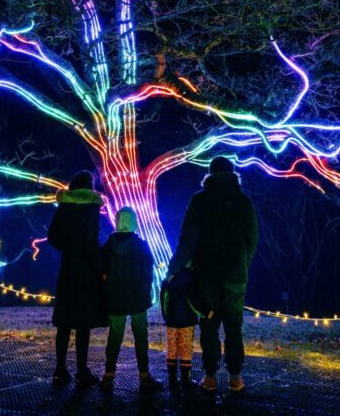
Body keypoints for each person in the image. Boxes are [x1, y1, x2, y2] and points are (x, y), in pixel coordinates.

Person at [166, 156, 259, 393]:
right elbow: (252, 239)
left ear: (210, 174)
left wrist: (174, 269)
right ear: (232, 174)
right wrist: (243, 265)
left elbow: (188, 239)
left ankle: (209, 376)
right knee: (234, 326)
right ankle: (235, 376)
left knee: (209, 324)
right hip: (235, 275)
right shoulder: (243, 201)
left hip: (206, 275)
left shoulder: (200, 200)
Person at [47, 170, 107, 388]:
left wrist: (68, 249)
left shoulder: (64, 206)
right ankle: (82, 371)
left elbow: (52, 236)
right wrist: (101, 267)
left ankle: (60, 369)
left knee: (64, 323)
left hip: (68, 269)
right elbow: (90, 242)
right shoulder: (91, 207)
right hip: (86, 273)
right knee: (83, 323)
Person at [99, 207, 161, 392]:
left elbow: (102, 269)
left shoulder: (109, 245)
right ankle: (144, 375)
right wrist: (144, 288)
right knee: (141, 335)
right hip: (137, 297)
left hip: (115, 297)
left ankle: (108, 375)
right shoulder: (141, 245)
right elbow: (148, 270)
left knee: (115, 335)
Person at [160, 263, 198, 389]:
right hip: (187, 320)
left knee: (172, 348)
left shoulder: (167, 280)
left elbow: (163, 300)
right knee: (185, 348)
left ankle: (172, 378)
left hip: (171, 320)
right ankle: (185, 378)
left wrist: (166, 317)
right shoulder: (191, 278)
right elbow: (193, 299)